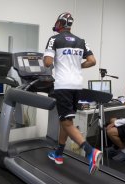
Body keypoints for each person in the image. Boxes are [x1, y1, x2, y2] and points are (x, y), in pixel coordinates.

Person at [43, 12, 102, 175]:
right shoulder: (81, 41)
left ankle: (91, 151)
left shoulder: (54, 39)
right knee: (66, 120)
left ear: (60, 24)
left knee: (67, 123)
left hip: (62, 86)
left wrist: (49, 60)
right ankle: (59, 153)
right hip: (77, 86)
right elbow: (92, 61)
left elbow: (48, 62)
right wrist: (77, 66)